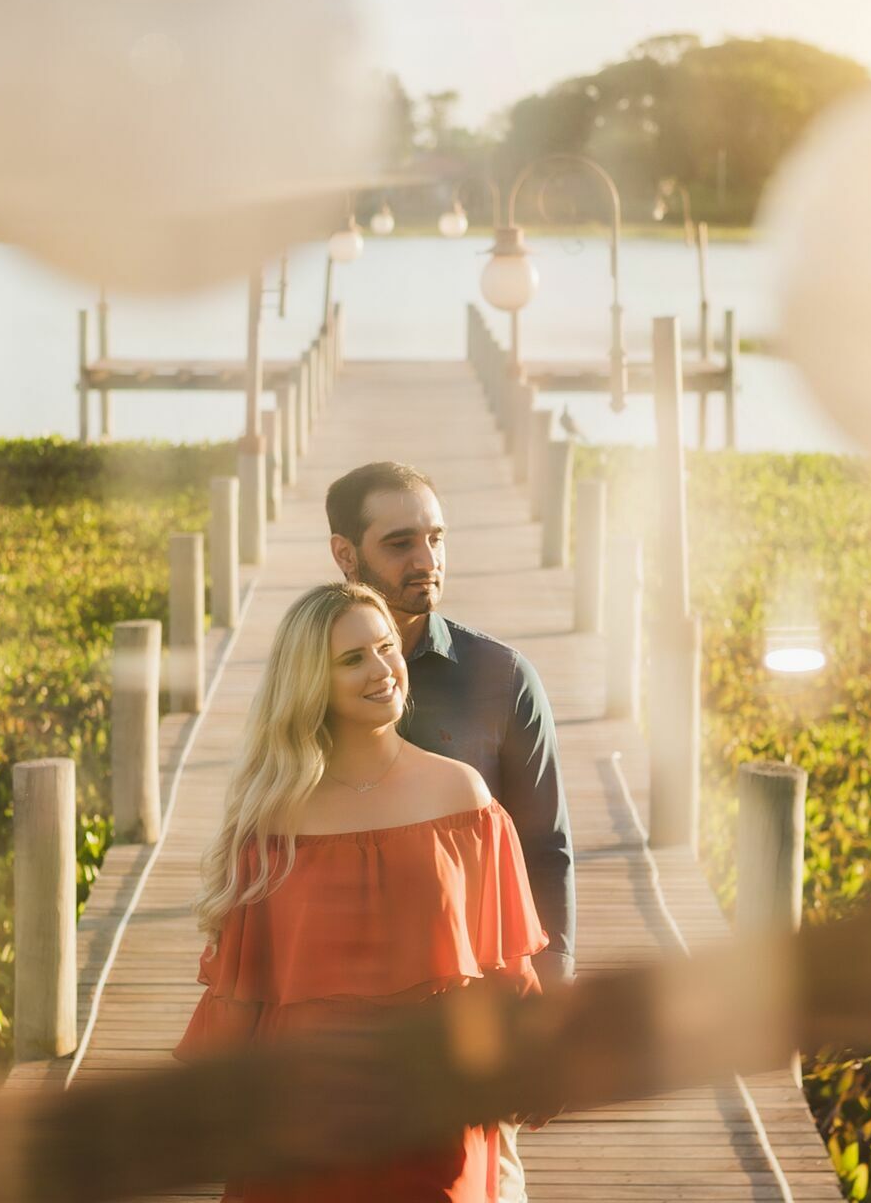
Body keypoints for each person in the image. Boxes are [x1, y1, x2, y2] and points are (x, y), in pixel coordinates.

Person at [177, 582, 549, 1203]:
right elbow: (241, 991)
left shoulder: (463, 798)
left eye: (386, 648)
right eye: (352, 659)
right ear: (310, 684)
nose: (382, 670)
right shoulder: (271, 820)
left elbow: (506, 966)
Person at [324, 461, 576, 1203]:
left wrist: (547, 1011)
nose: (426, 560)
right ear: (345, 554)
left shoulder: (503, 678)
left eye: (435, 538)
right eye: (400, 542)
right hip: (337, 1024)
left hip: (470, 1014)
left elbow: (545, 852)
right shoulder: (306, 679)